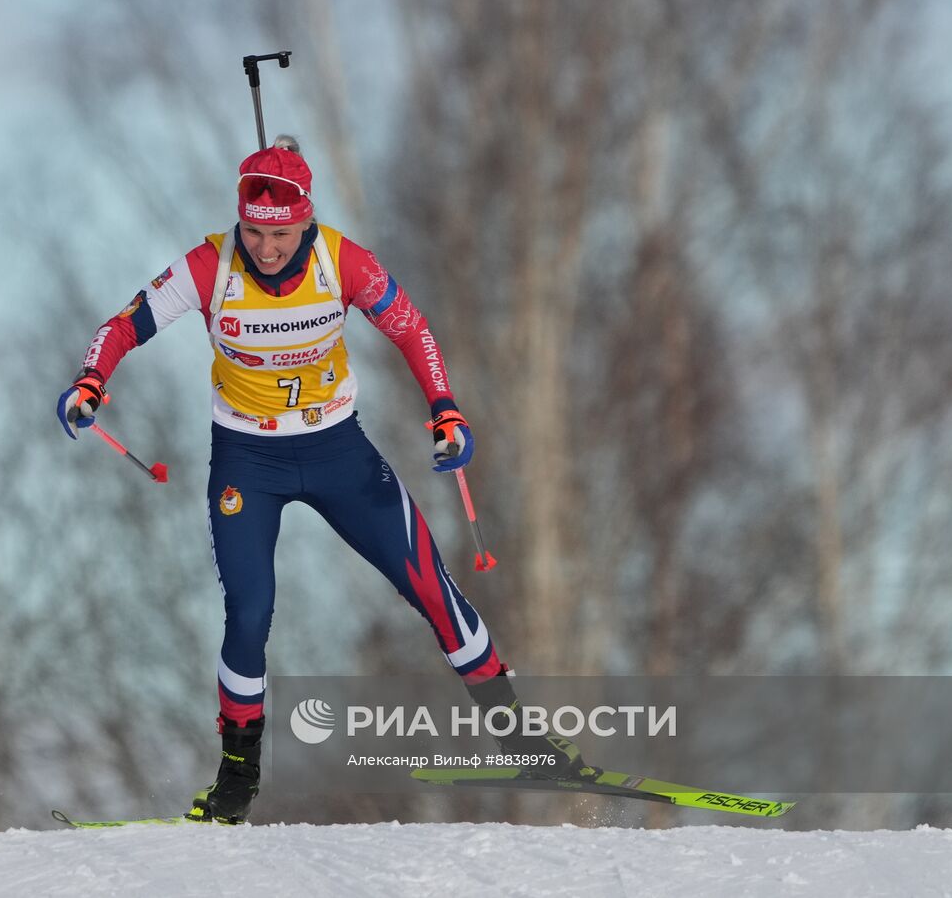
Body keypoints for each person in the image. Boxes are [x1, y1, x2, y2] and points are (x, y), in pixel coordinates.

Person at [57, 136, 588, 824]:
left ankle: (520, 735)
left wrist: (445, 410)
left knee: (430, 581)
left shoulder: (344, 261)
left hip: (338, 450)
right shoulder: (210, 263)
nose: (266, 248)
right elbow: (126, 324)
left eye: (279, 234)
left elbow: (413, 330)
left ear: (305, 221)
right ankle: (238, 775)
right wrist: (90, 380)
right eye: (254, 231)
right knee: (249, 611)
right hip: (248, 459)